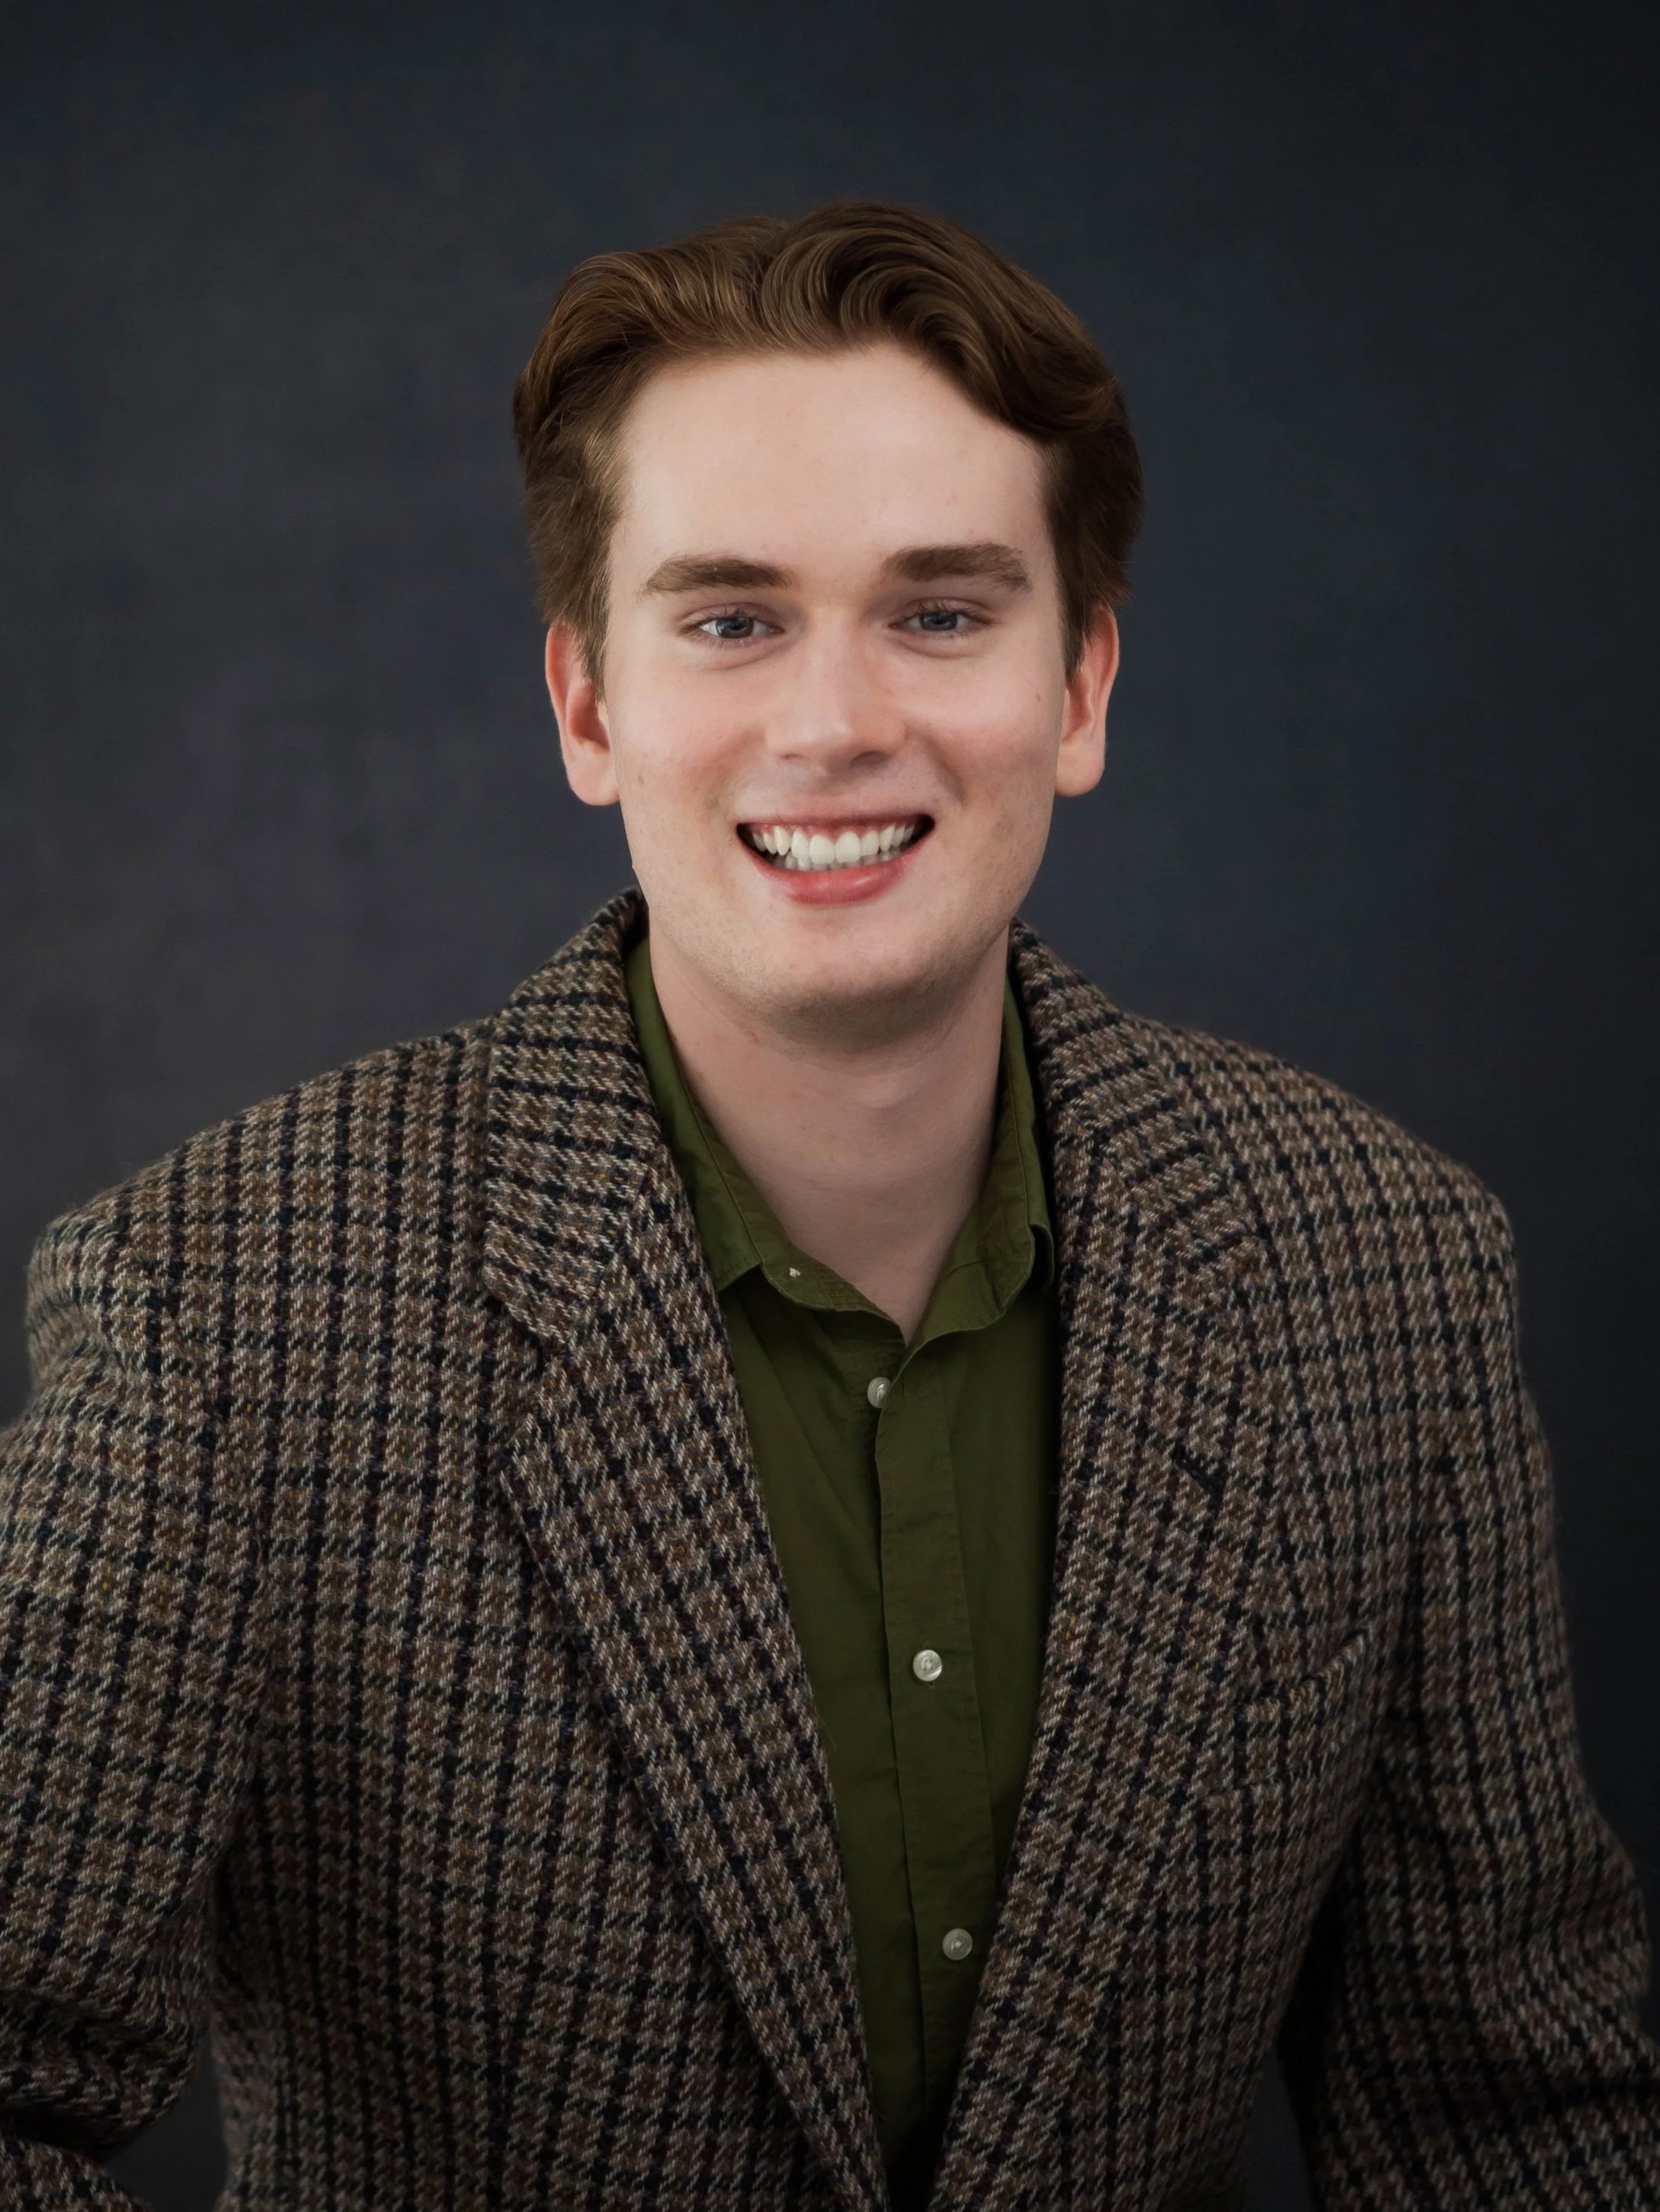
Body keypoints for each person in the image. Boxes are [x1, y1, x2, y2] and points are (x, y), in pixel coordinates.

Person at [2, 200, 1656, 2212]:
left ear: (1081, 687)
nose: (832, 723)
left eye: (941, 613)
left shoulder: (1379, 1273)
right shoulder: (218, 1315)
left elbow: (1507, 2118)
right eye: (728, 618)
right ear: (587, 706)